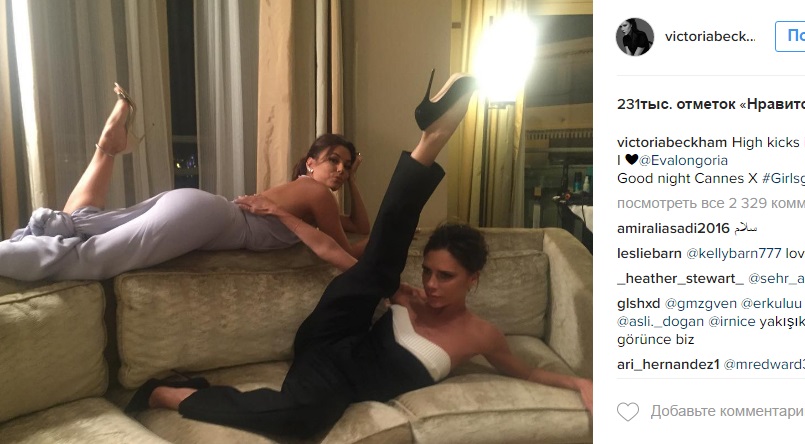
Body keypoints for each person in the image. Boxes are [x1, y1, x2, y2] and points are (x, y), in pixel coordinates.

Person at [123, 71, 593, 438]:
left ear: (474, 278)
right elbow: (357, 255)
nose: (430, 285)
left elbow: (527, 371)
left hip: (338, 379)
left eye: (446, 277)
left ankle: (168, 394)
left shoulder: (481, 335)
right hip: (334, 332)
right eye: (428, 272)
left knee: (301, 421)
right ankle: (432, 138)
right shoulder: (407, 294)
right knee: (382, 268)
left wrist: (580, 383)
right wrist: (394, 288)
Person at [0, 85, 367, 281]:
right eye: (333, 160)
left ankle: (107, 150)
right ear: (310, 163)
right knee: (91, 260)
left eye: (347, 166)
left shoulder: (305, 199)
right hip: (206, 218)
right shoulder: (317, 193)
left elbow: (358, 225)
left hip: (199, 208)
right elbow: (345, 252)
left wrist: (352, 182)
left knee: (84, 223)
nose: (340, 170)